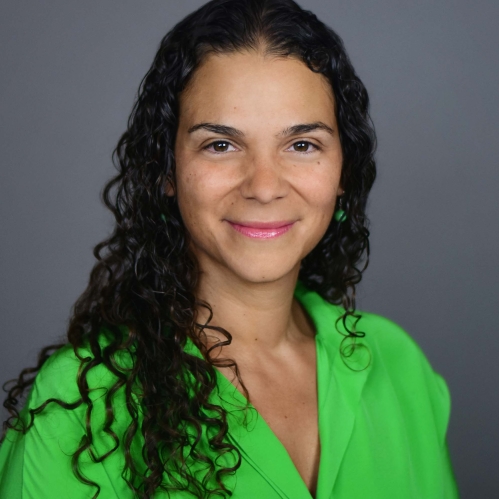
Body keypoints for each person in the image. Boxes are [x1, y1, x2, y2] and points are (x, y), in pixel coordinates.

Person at [0, 0, 459, 497]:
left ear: (343, 171)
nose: (264, 186)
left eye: (302, 144)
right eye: (221, 144)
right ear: (166, 171)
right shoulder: (82, 406)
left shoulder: (400, 365)